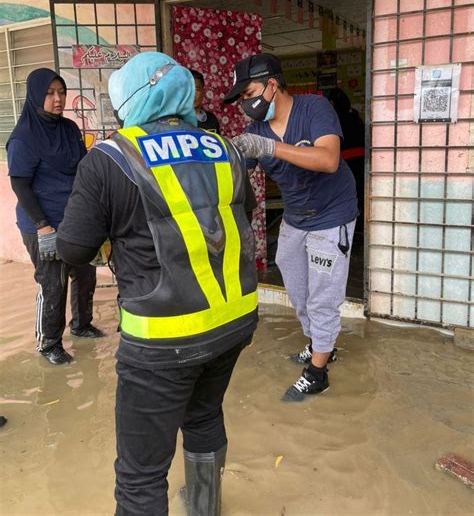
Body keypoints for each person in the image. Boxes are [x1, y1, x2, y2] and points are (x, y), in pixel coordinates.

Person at [56, 52, 258, 516]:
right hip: (232, 323)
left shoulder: (110, 157)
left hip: (162, 340)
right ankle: (205, 507)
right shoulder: (223, 148)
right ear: (183, 92)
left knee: (141, 474)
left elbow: (73, 250)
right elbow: (238, 221)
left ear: (129, 101)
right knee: (204, 416)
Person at [225, 53, 358, 402]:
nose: (244, 103)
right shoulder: (256, 129)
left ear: (272, 84)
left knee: (322, 297)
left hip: (332, 215)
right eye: (239, 97)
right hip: (296, 217)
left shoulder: (313, 109)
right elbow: (233, 167)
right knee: (297, 290)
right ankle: (320, 344)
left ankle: (318, 372)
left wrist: (271, 147)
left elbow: (328, 159)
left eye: (247, 92)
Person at [6, 68, 101, 366]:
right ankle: (49, 343)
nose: (57, 99)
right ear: (36, 95)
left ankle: (82, 325)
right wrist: (43, 226)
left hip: (75, 219)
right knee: (52, 284)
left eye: (61, 92)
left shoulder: (70, 129)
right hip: (42, 224)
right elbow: (20, 183)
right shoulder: (23, 138)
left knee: (85, 275)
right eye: (49, 93)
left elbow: (82, 169)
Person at [326, 88, 365, 227]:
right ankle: (360, 224)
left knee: (346, 195)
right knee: (360, 193)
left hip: (344, 162)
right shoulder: (355, 116)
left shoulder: (333, 119)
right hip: (361, 162)